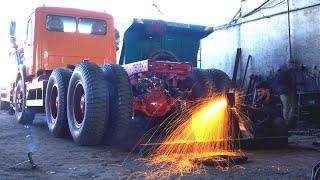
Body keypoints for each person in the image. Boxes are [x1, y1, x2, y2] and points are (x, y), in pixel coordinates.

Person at [277, 60, 296, 127]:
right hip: (284, 92)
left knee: (292, 107)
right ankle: (286, 123)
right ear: (289, 65)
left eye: (293, 64)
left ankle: (288, 123)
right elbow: (279, 81)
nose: (293, 66)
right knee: (286, 107)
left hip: (290, 91)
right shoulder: (285, 72)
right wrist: (284, 89)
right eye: (291, 64)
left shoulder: (293, 73)